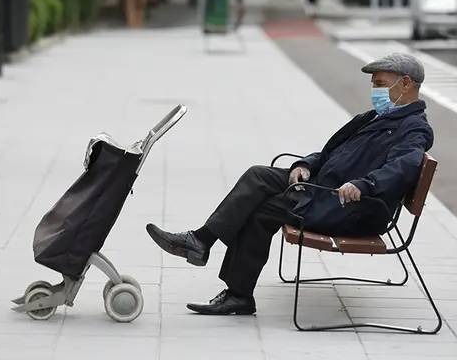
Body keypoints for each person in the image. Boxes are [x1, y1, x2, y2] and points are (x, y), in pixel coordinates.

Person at [146, 53, 434, 315]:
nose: (376, 91)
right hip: (323, 189)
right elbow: (329, 152)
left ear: (406, 84)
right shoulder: (372, 118)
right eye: (375, 84)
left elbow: (404, 166)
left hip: (351, 207)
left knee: (264, 210)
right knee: (259, 175)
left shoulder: (413, 127)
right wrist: (304, 166)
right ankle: (201, 242)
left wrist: (366, 184)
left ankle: (234, 289)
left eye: (381, 83)